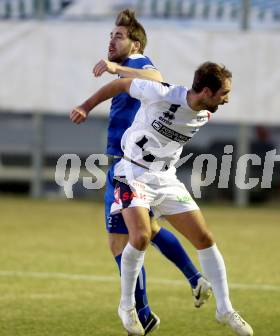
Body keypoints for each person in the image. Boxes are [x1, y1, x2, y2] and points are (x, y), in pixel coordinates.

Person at [71, 62, 254, 336]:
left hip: (166, 179)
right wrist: (86, 106)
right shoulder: (162, 94)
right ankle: (127, 306)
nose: (227, 99)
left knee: (204, 238)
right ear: (205, 91)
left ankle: (224, 309)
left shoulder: (204, 114)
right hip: (131, 171)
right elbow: (120, 85)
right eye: (223, 93)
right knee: (141, 236)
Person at [75, 9, 212, 335]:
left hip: (129, 166)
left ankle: (143, 313)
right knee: (145, 230)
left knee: (120, 243)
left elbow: (155, 77)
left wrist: (116, 68)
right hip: (126, 163)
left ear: (135, 44)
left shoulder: (139, 64)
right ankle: (193, 280)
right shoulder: (130, 67)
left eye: (118, 36)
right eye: (110, 35)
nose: (111, 40)